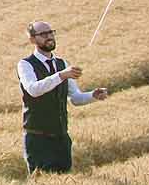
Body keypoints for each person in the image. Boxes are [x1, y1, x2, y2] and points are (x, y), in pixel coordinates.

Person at [18, 20, 108, 174]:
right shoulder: (25, 64)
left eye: (51, 32)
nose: (49, 37)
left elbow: (75, 98)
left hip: (62, 138)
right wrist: (61, 75)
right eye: (43, 34)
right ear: (32, 40)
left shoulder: (62, 63)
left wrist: (93, 95)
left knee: (65, 180)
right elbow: (33, 90)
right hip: (38, 139)